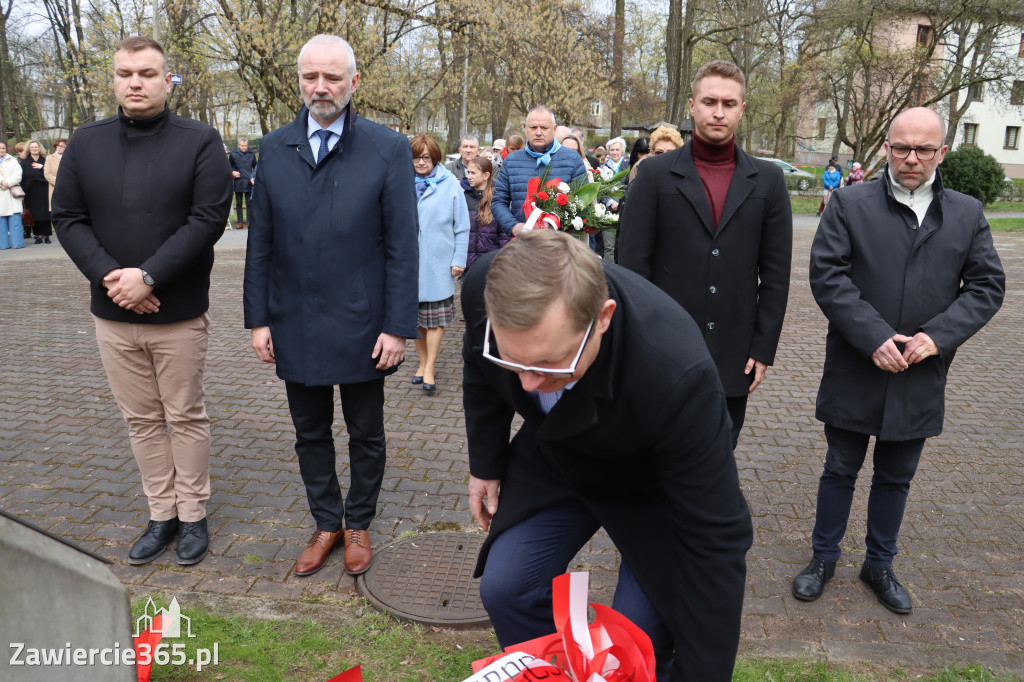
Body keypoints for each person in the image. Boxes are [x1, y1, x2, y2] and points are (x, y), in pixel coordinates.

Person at [462, 229, 752, 682]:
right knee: (506, 589)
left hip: (650, 487)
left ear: (602, 317)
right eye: (514, 362)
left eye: (550, 365)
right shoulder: (487, 285)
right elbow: (478, 370)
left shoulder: (678, 375)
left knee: (633, 641)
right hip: (556, 454)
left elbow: (716, 540)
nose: (528, 386)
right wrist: (486, 462)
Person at [792, 107, 1005, 614]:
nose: (912, 158)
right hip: (856, 364)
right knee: (840, 467)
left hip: (920, 370)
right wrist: (873, 336)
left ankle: (879, 563)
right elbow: (828, 275)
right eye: (901, 147)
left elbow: (986, 286)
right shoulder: (849, 202)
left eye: (924, 149)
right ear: (885, 147)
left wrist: (938, 336)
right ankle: (823, 558)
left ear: (941, 153)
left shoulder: (967, 213)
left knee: (896, 476)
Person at [52, 36, 232, 566]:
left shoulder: (200, 140)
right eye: (125, 73)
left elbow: (207, 219)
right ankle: (162, 514)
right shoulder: (86, 143)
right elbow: (68, 217)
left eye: (148, 73)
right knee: (142, 420)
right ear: (113, 78)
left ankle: (194, 515)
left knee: (184, 414)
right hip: (112, 312)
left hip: (177, 312)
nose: (135, 82)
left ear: (166, 79)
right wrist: (114, 277)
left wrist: (149, 277)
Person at [244, 34, 419, 578]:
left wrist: (397, 326)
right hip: (294, 319)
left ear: (354, 82)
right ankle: (327, 523)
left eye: (332, 77)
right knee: (309, 432)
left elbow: (402, 245)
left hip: (365, 323)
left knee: (366, 431)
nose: (321, 88)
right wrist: (258, 319)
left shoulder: (387, 148)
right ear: (299, 80)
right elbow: (260, 244)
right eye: (311, 77)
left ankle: (359, 521)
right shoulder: (272, 149)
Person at [619, 60, 793, 450]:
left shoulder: (767, 181)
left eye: (729, 103)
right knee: (657, 456)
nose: (718, 112)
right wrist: (638, 345)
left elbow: (777, 275)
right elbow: (631, 270)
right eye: (710, 101)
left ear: (742, 108)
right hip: (664, 350)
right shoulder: (655, 176)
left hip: (734, 354)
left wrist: (763, 348)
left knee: (717, 458)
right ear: (692, 105)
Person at [409, 134, 469, 391]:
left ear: (435, 158)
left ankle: (431, 366)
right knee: (415, 320)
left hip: (439, 261)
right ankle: (422, 362)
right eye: (416, 157)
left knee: (435, 318)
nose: (421, 162)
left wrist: (458, 259)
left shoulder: (450, 184)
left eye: (426, 157)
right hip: (409, 262)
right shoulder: (401, 183)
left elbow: (462, 226)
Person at [492, 107, 587, 238]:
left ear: (554, 129)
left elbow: (582, 203)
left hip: (560, 244)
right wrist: (513, 226)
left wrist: (557, 224)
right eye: (533, 127)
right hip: (522, 243)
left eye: (544, 128)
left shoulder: (573, 159)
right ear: (525, 128)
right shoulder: (511, 161)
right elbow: (498, 202)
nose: (538, 132)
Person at [464, 156, 507, 270]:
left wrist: (502, 261)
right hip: (467, 265)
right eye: (468, 172)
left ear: (486, 175)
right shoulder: (463, 198)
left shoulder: (498, 199)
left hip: (491, 264)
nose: (469, 176)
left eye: (473, 173)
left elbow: (503, 234)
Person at [21, 140, 51, 244]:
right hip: (31, 191)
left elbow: (50, 173)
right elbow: (23, 178)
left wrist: (42, 168)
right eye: (32, 147)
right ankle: (38, 236)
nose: (34, 149)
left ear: (39, 148)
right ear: (29, 149)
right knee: (35, 215)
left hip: (44, 190)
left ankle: (46, 236)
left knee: (46, 213)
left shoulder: (45, 160)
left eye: (36, 147)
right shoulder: (25, 162)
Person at [0, 141, 25, 250]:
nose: (1, 150)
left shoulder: (13, 160)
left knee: (15, 219)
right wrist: (1, 182)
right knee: (1, 221)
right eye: (0, 148)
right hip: (1, 193)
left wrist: (7, 183)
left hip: (12, 193)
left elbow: (18, 175)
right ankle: (3, 244)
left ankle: (17, 243)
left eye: (3, 148)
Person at [228, 137, 257, 229]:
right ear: (238, 145)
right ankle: (240, 222)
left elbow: (256, 167)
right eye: (242, 146)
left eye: (246, 145)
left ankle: (249, 221)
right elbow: (229, 167)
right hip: (238, 181)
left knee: (249, 203)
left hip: (249, 181)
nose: (244, 147)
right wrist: (232, 172)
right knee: (239, 202)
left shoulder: (252, 154)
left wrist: (253, 177)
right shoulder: (233, 154)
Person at [44, 138, 66, 211]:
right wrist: (59, 183)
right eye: (57, 146)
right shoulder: (49, 158)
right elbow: (47, 174)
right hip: (55, 188)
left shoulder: (70, 158)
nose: (59, 147)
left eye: (62, 146)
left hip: (68, 189)